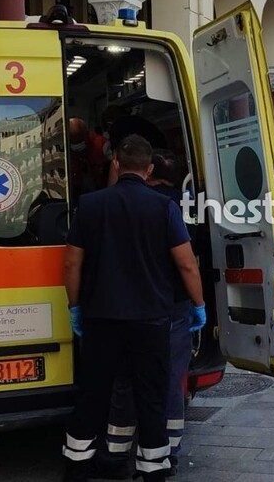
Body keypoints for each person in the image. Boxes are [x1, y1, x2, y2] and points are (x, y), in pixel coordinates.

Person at [62, 135, 206, 482]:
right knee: (151, 395)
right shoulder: (163, 207)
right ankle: (153, 469)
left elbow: (71, 265)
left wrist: (75, 307)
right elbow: (186, 264)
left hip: (101, 319)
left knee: (94, 393)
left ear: (115, 163)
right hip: (151, 320)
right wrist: (199, 306)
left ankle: (77, 467)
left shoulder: (91, 205)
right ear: (150, 168)